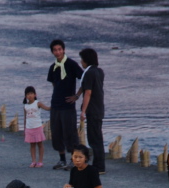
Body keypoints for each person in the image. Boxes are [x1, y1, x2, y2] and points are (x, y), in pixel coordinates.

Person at [46, 40, 84, 170]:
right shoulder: (53, 67)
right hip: (55, 104)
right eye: (55, 50)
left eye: (59, 49)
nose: (57, 52)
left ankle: (75, 160)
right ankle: (62, 160)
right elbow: (53, 83)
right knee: (56, 133)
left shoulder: (71, 64)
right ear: (52, 52)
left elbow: (84, 80)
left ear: (64, 50)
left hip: (68, 106)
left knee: (70, 133)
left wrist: (77, 96)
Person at [76, 48, 106, 173]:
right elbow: (85, 87)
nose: (81, 62)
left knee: (94, 139)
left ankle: (99, 167)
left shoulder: (88, 73)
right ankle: (99, 164)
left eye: (82, 59)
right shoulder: (99, 71)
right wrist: (77, 95)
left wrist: (83, 111)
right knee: (97, 137)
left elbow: (88, 92)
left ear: (86, 60)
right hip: (99, 108)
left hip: (92, 109)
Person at [22, 86, 50, 167]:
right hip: (29, 127)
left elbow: (47, 108)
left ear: (35, 94)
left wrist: (54, 106)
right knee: (32, 145)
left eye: (31, 93)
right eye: (28, 94)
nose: (30, 95)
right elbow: (25, 118)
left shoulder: (38, 103)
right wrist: (25, 129)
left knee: (40, 144)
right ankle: (33, 161)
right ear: (25, 96)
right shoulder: (25, 106)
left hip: (37, 126)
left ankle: (40, 161)